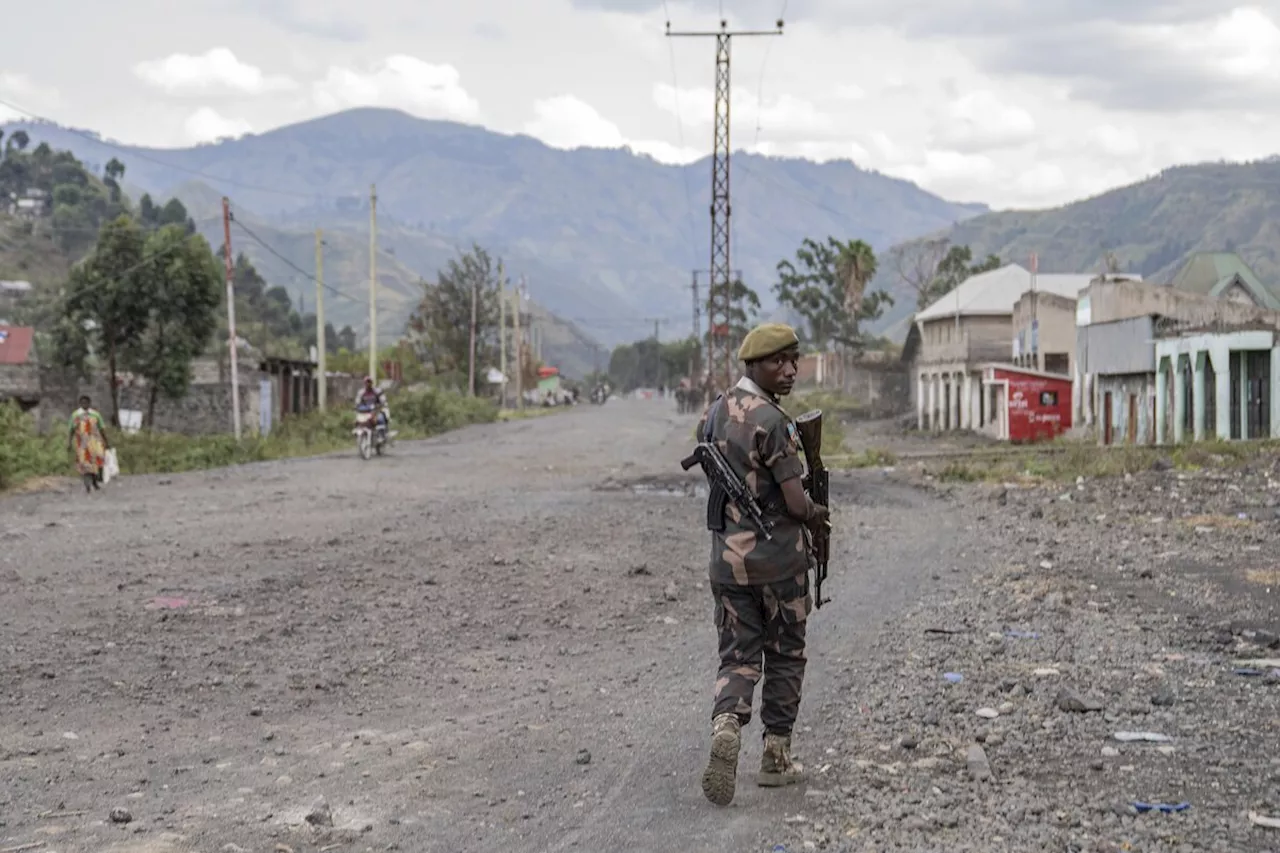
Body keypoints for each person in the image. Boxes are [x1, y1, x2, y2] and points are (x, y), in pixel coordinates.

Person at [693, 323, 830, 808]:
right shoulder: (774, 422)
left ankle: (727, 723)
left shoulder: (715, 411)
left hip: (727, 567)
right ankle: (775, 759)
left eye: (794, 360)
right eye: (778, 362)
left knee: (737, 656)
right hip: (779, 565)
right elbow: (795, 502)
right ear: (753, 365)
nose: (790, 370)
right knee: (786, 655)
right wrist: (817, 511)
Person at [68, 395, 110, 494]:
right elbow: (71, 430)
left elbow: (102, 428)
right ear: (80, 404)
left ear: (89, 403)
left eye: (86, 402)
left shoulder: (95, 415)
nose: (84, 404)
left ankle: (95, 481)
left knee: (97, 463)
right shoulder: (75, 415)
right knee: (85, 465)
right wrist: (69, 443)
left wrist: (106, 441)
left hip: (95, 442)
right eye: (82, 403)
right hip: (82, 444)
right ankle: (87, 485)